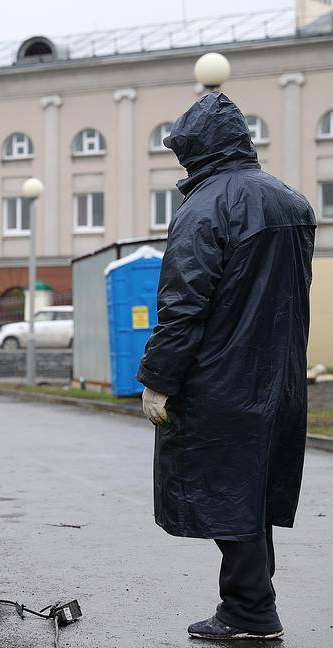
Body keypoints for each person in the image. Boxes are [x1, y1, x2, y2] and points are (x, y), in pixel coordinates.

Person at [137, 92, 315, 641]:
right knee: (252, 492)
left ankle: (250, 610)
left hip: (222, 380)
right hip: (278, 377)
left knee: (228, 493)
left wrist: (158, 381)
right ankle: (249, 604)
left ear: (198, 148)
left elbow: (183, 305)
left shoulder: (204, 207)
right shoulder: (293, 201)